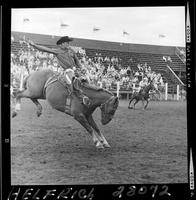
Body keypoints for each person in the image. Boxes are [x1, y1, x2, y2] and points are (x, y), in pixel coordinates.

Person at [28, 36, 89, 105]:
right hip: (67, 71)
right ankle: (77, 98)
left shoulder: (71, 50)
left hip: (76, 70)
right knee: (70, 80)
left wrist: (81, 67)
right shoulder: (57, 51)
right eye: (67, 42)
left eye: (68, 42)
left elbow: (77, 61)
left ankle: (88, 95)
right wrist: (34, 45)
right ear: (62, 44)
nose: (68, 44)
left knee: (86, 79)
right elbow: (45, 49)